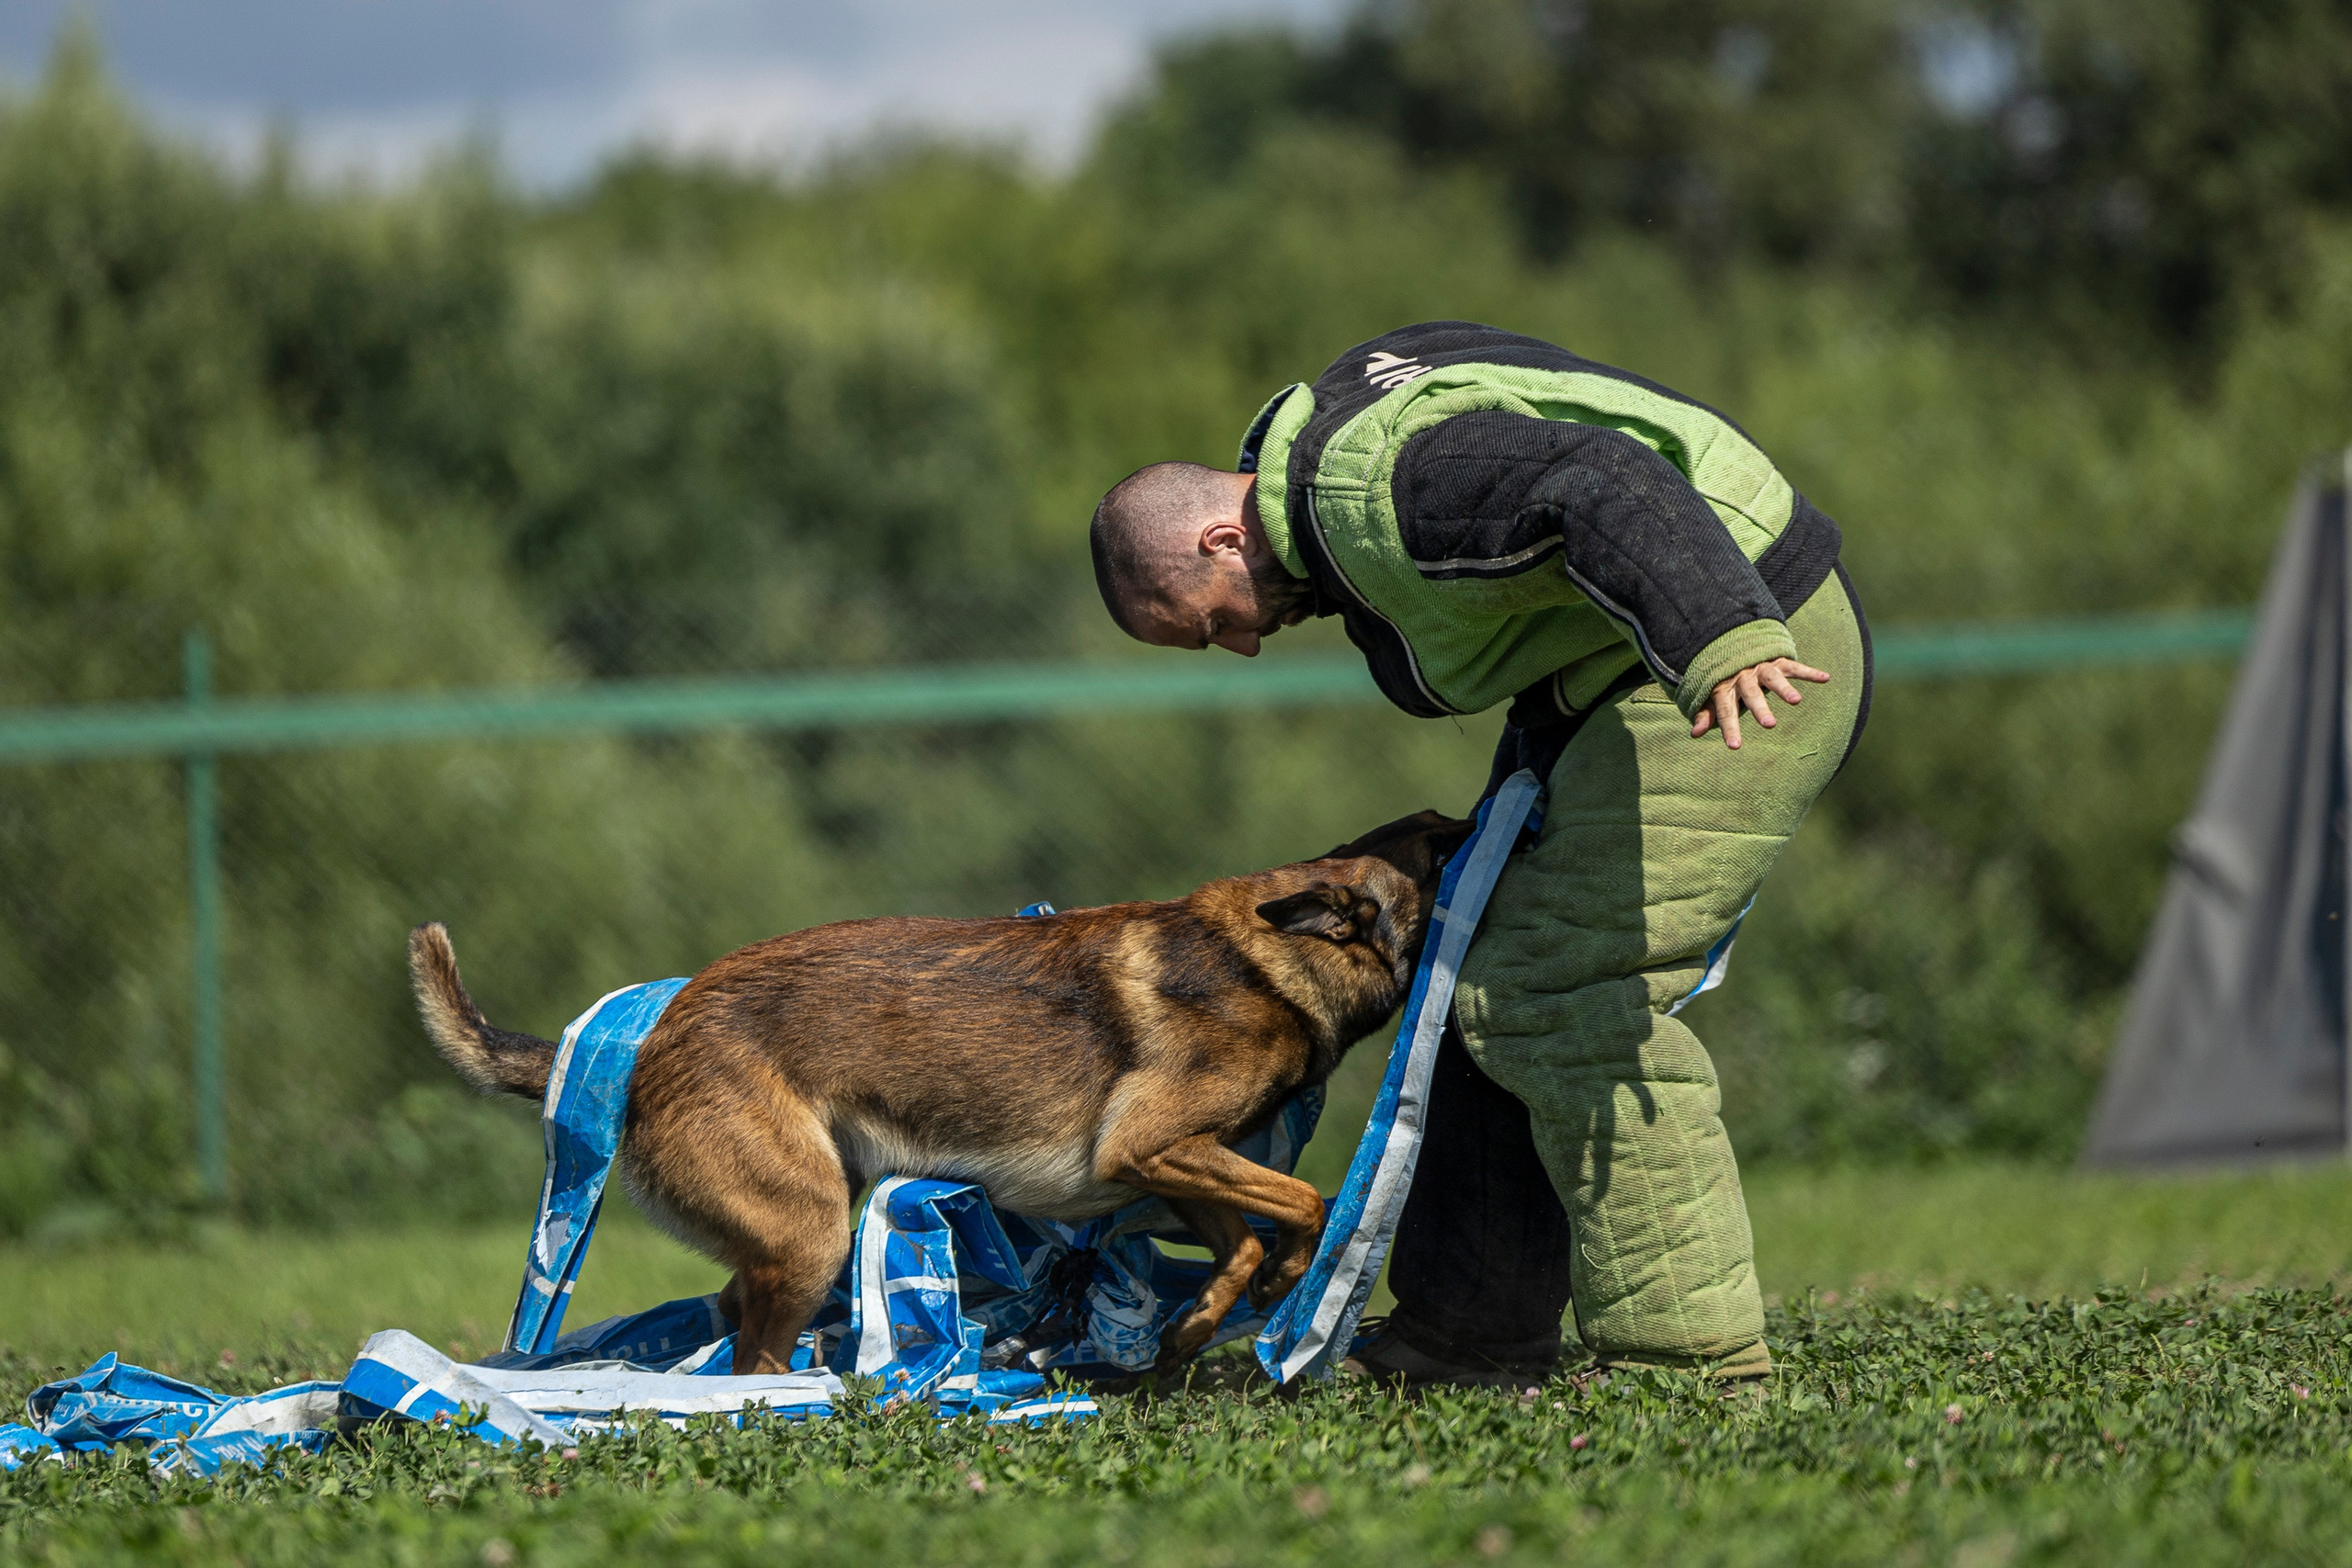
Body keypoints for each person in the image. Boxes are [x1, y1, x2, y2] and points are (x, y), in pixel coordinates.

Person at [1088, 321, 1870, 1386]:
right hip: (1614, 672)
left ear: (1219, 542)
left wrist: (1722, 637)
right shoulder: (1330, 457)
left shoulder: (1384, 489)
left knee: (1561, 991)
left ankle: (1688, 1360)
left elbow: (1602, 475)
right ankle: (1466, 1335)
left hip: (1741, 655)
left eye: (1209, 623)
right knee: (1465, 977)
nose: (1244, 644)